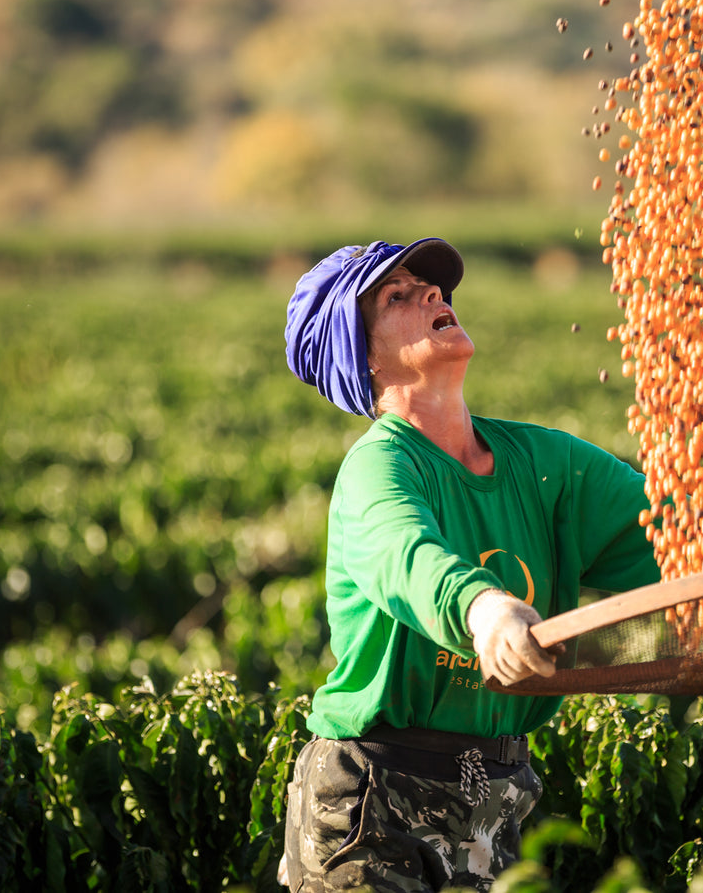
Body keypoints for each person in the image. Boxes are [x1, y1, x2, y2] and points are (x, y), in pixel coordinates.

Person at [279, 237, 659, 892]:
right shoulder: (378, 468)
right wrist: (485, 610)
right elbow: (407, 556)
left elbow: (671, 531)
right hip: (375, 794)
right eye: (396, 295)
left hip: (494, 788)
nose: (431, 294)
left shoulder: (546, 462)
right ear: (359, 354)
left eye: (430, 287)